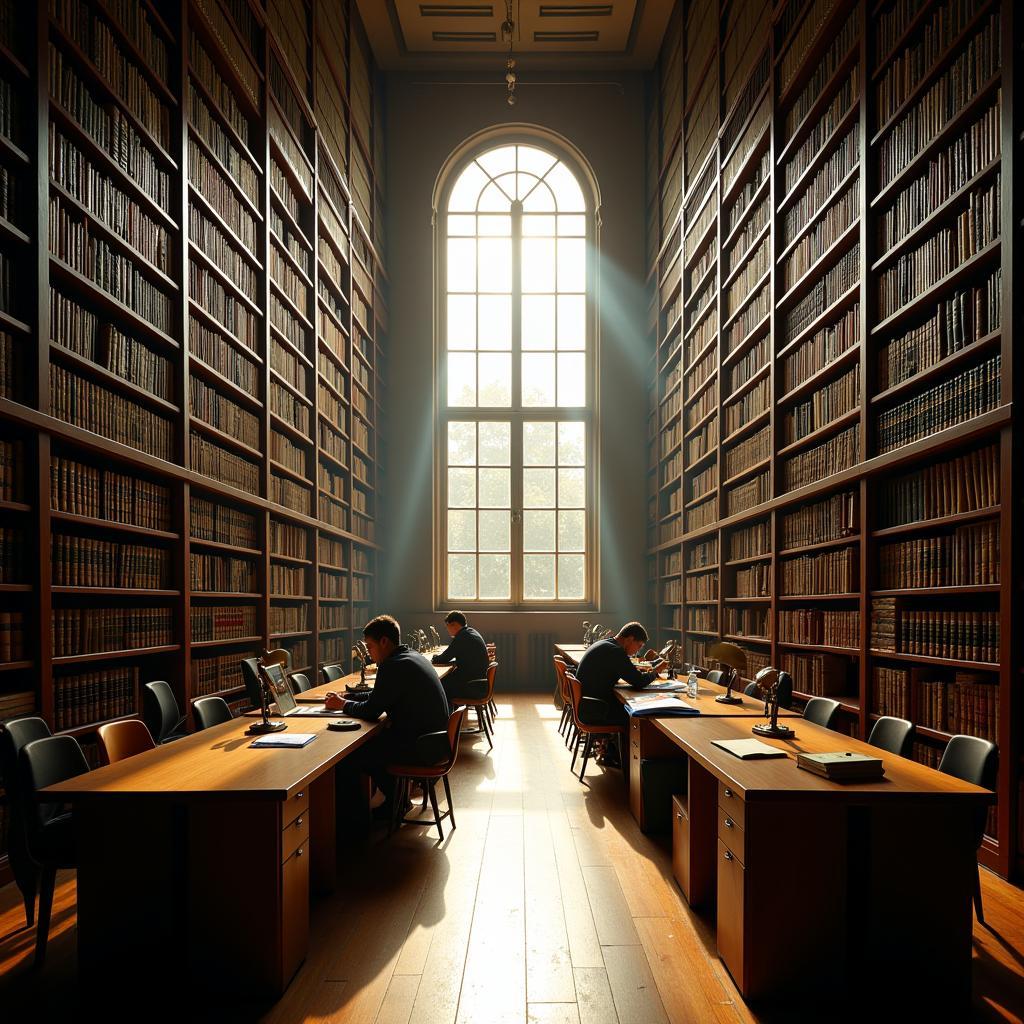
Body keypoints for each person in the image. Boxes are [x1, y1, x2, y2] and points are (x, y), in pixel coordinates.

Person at [325, 614, 450, 819]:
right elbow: (383, 695)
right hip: (435, 741)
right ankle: (397, 800)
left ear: (384, 642)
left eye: (370, 646)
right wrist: (352, 696)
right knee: (374, 745)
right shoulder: (410, 655)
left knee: (353, 756)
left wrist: (344, 704)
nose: (369, 653)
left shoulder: (392, 665)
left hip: (421, 747)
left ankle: (361, 819)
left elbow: (372, 710)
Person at [574, 622, 663, 765]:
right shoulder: (616, 652)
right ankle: (628, 761)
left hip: (588, 703)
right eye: (639, 646)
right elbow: (638, 681)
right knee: (635, 716)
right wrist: (655, 672)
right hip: (596, 709)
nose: (637, 651)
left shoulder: (606, 644)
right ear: (630, 639)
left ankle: (611, 751)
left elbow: (626, 671)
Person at [430, 610, 490, 705]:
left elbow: (443, 658)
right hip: (479, 681)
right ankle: (453, 714)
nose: (447, 629)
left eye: (447, 626)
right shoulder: (470, 631)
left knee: (437, 686)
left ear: (453, 624)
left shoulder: (462, 637)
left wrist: (433, 658)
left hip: (472, 685)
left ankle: (447, 716)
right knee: (444, 681)